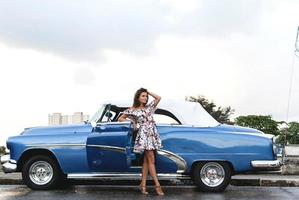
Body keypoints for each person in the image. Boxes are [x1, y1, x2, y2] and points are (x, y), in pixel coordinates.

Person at [118, 87, 164, 195]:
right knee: (151, 159)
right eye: (143, 96)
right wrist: (133, 122)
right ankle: (157, 186)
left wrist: (148, 91)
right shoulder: (132, 109)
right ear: (138, 97)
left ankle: (143, 185)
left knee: (147, 161)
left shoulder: (149, 107)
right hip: (143, 134)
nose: (145, 98)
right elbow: (121, 118)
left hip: (152, 133)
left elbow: (158, 97)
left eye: (146, 96)